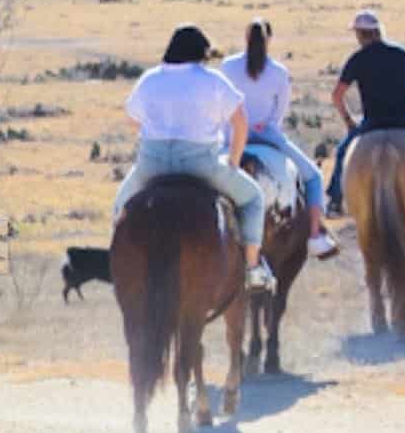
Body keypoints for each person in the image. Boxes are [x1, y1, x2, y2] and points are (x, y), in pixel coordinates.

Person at [112, 23, 275, 293]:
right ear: (201, 52)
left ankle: (118, 269)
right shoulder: (212, 80)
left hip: (153, 164)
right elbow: (240, 124)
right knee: (253, 198)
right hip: (201, 164)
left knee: (120, 207)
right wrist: (233, 161)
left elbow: (132, 119)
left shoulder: (150, 78)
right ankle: (253, 268)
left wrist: (157, 134)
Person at [220, 19, 339, 259]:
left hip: (232, 136)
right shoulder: (278, 72)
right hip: (266, 134)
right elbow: (280, 112)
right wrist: (265, 124)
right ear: (269, 40)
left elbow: (221, 104)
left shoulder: (228, 66)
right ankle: (315, 235)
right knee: (313, 177)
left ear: (246, 38)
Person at [326, 9, 405, 215]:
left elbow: (337, 95)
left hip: (372, 121)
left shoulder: (357, 59)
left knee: (342, 154)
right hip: (403, 119)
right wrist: (400, 102)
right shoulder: (400, 53)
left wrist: (349, 121)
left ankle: (335, 201)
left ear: (361, 34)